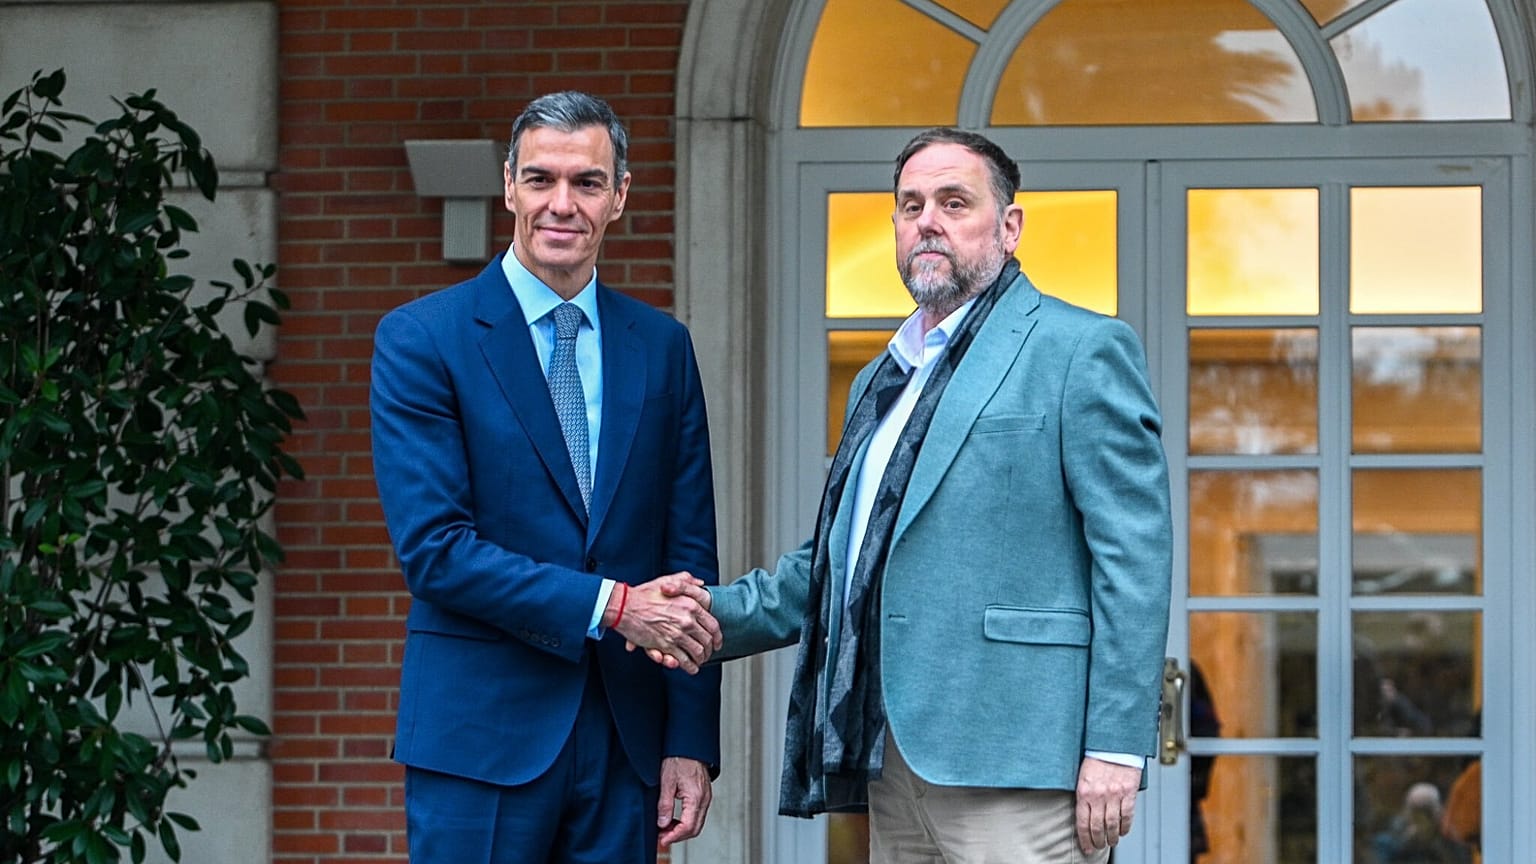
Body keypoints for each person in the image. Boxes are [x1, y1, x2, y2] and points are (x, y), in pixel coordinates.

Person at [653, 127, 1172, 862]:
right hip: (892, 757)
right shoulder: (881, 379)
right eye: (911, 204)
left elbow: (1134, 561)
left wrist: (1117, 745)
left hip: (1019, 763)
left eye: (955, 202)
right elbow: (839, 566)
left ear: (1010, 226)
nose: (928, 219)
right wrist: (701, 618)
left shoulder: (1080, 349)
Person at [371, 91, 723, 864]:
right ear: (508, 187)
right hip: (480, 738)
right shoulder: (423, 339)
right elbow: (435, 549)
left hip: (626, 738)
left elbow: (689, 553)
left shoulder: (662, 346)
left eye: (587, 183)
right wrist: (615, 605)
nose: (562, 204)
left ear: (620, 196)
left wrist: (689, 739)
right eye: (540, 180)